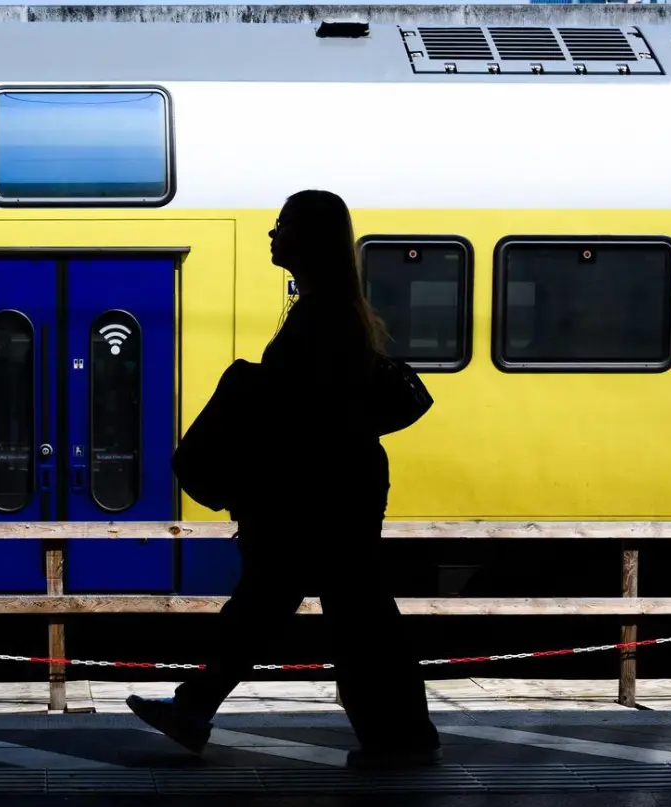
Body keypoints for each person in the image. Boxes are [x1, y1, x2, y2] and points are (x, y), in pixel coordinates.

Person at [128, 189, 441, 769]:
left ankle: (401, 739)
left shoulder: (321, 316)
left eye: (283, 226)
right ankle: (199, 710)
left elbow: (306, 411)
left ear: (309, 239)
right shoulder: (330, 309)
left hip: (318, 494)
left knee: (335, 616)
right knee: (318, 611)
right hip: (332, 489)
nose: (273, 235)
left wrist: (249, 387)